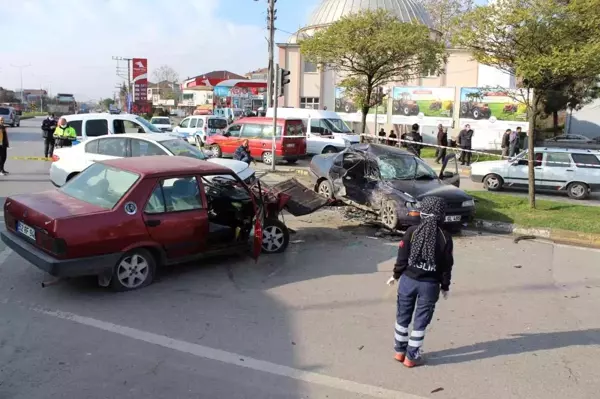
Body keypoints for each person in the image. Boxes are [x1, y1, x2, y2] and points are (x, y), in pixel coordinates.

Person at [387, 196, 454, 368]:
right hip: (429, 286)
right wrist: (445, 286)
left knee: (402, 316)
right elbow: (447, 266)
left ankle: (399, 351)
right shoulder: (445, 237)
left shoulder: (412, 231)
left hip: (408, 281)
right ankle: (411, 356)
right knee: (420, 321)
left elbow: (402, 258)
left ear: (423, 211)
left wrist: (395, 275)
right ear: (440, 214)